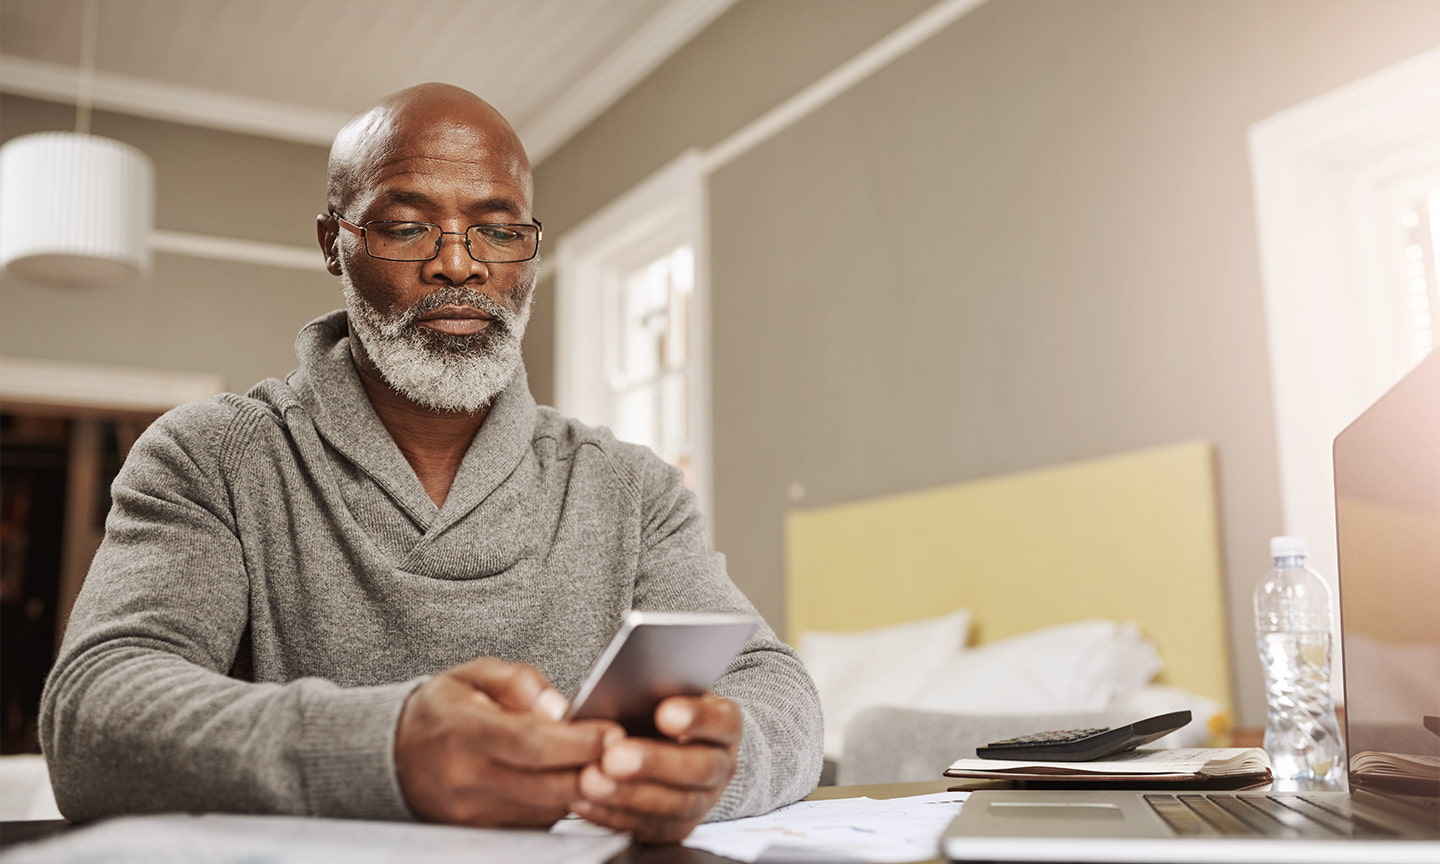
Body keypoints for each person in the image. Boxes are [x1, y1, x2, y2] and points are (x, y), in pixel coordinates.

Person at [39, 82, 824, 844]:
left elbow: (776, 688)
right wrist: (384, 749)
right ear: (333, 246)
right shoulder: (211, 456)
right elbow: (94, 712)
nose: (460, 264)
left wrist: (720, 763)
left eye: (499, 228)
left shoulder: (632, 487)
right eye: (407, 226)